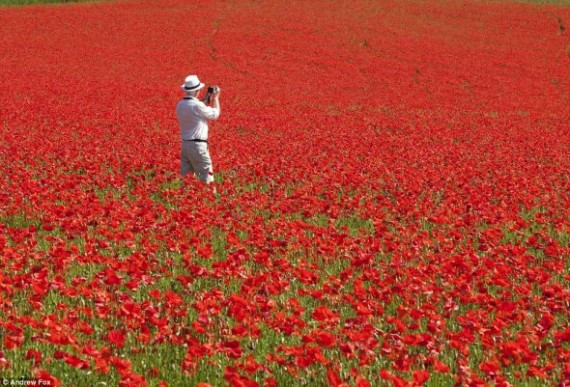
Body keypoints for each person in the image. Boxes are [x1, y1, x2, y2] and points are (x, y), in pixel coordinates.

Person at [176, 74, 221, 190]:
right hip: (198, 146)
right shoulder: (197, 105)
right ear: (197, 90)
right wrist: (215, 98)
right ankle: (210, 204)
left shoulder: (180, 105)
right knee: (206, 177)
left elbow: (196, 107)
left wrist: (207, 98)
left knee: (186, 179)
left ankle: (184, 202)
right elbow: (214, 114)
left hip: (186, 146)